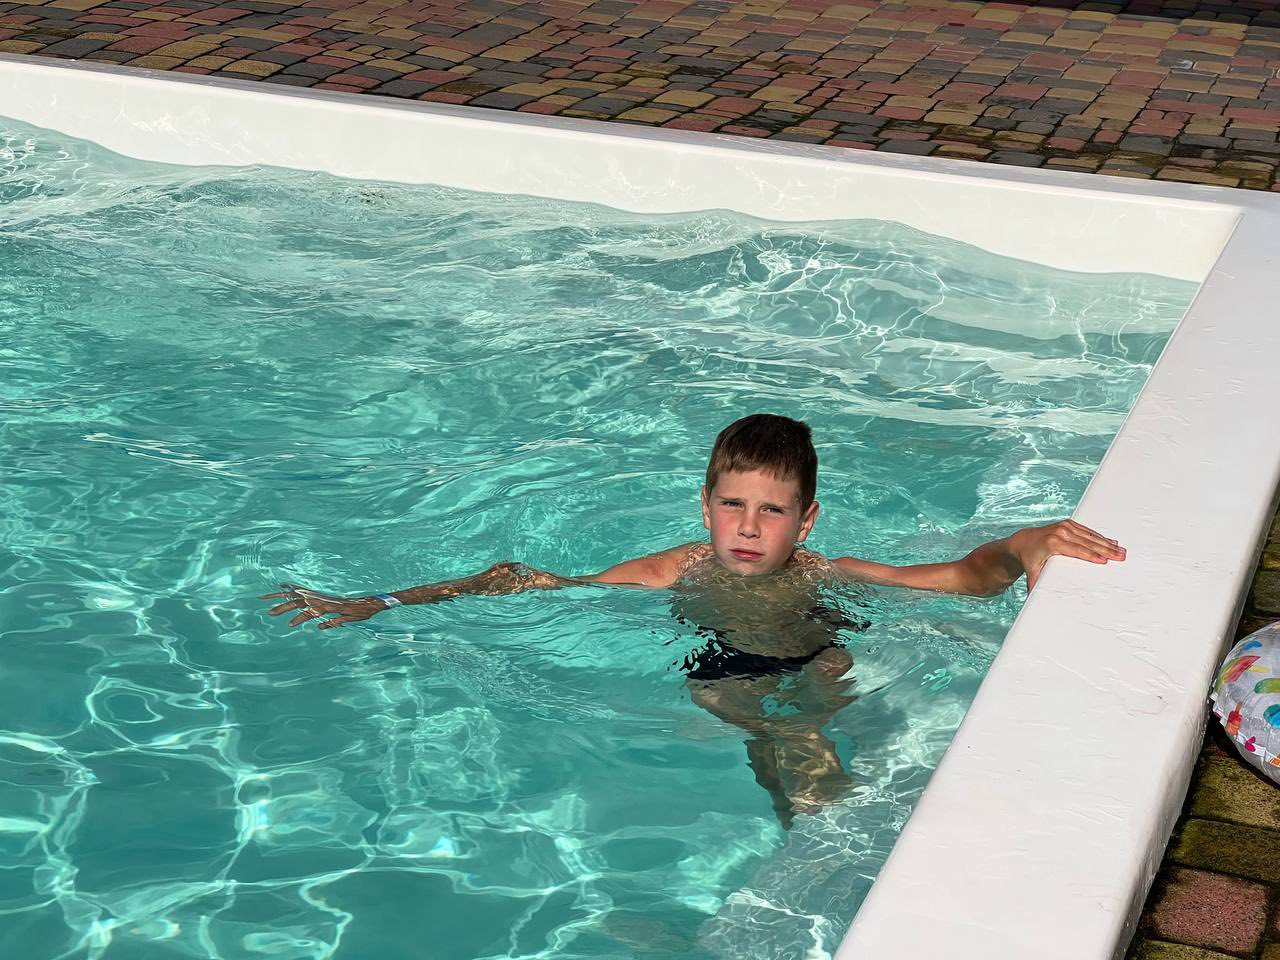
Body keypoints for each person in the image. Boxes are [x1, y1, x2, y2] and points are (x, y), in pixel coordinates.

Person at [262, 413, 1125, 826]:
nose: (748, 528)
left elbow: (959, 579)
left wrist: (1026, 543)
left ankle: (826, 832)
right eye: (732, 505)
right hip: (726, 665)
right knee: (760, 723)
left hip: (819, 651)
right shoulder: (672, 571)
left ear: (807, 521)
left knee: (810, 716)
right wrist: (382, 601)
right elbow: (519, 581)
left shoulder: (824, 572)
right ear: (704, 504)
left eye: (772, 511)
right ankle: (819, 831)